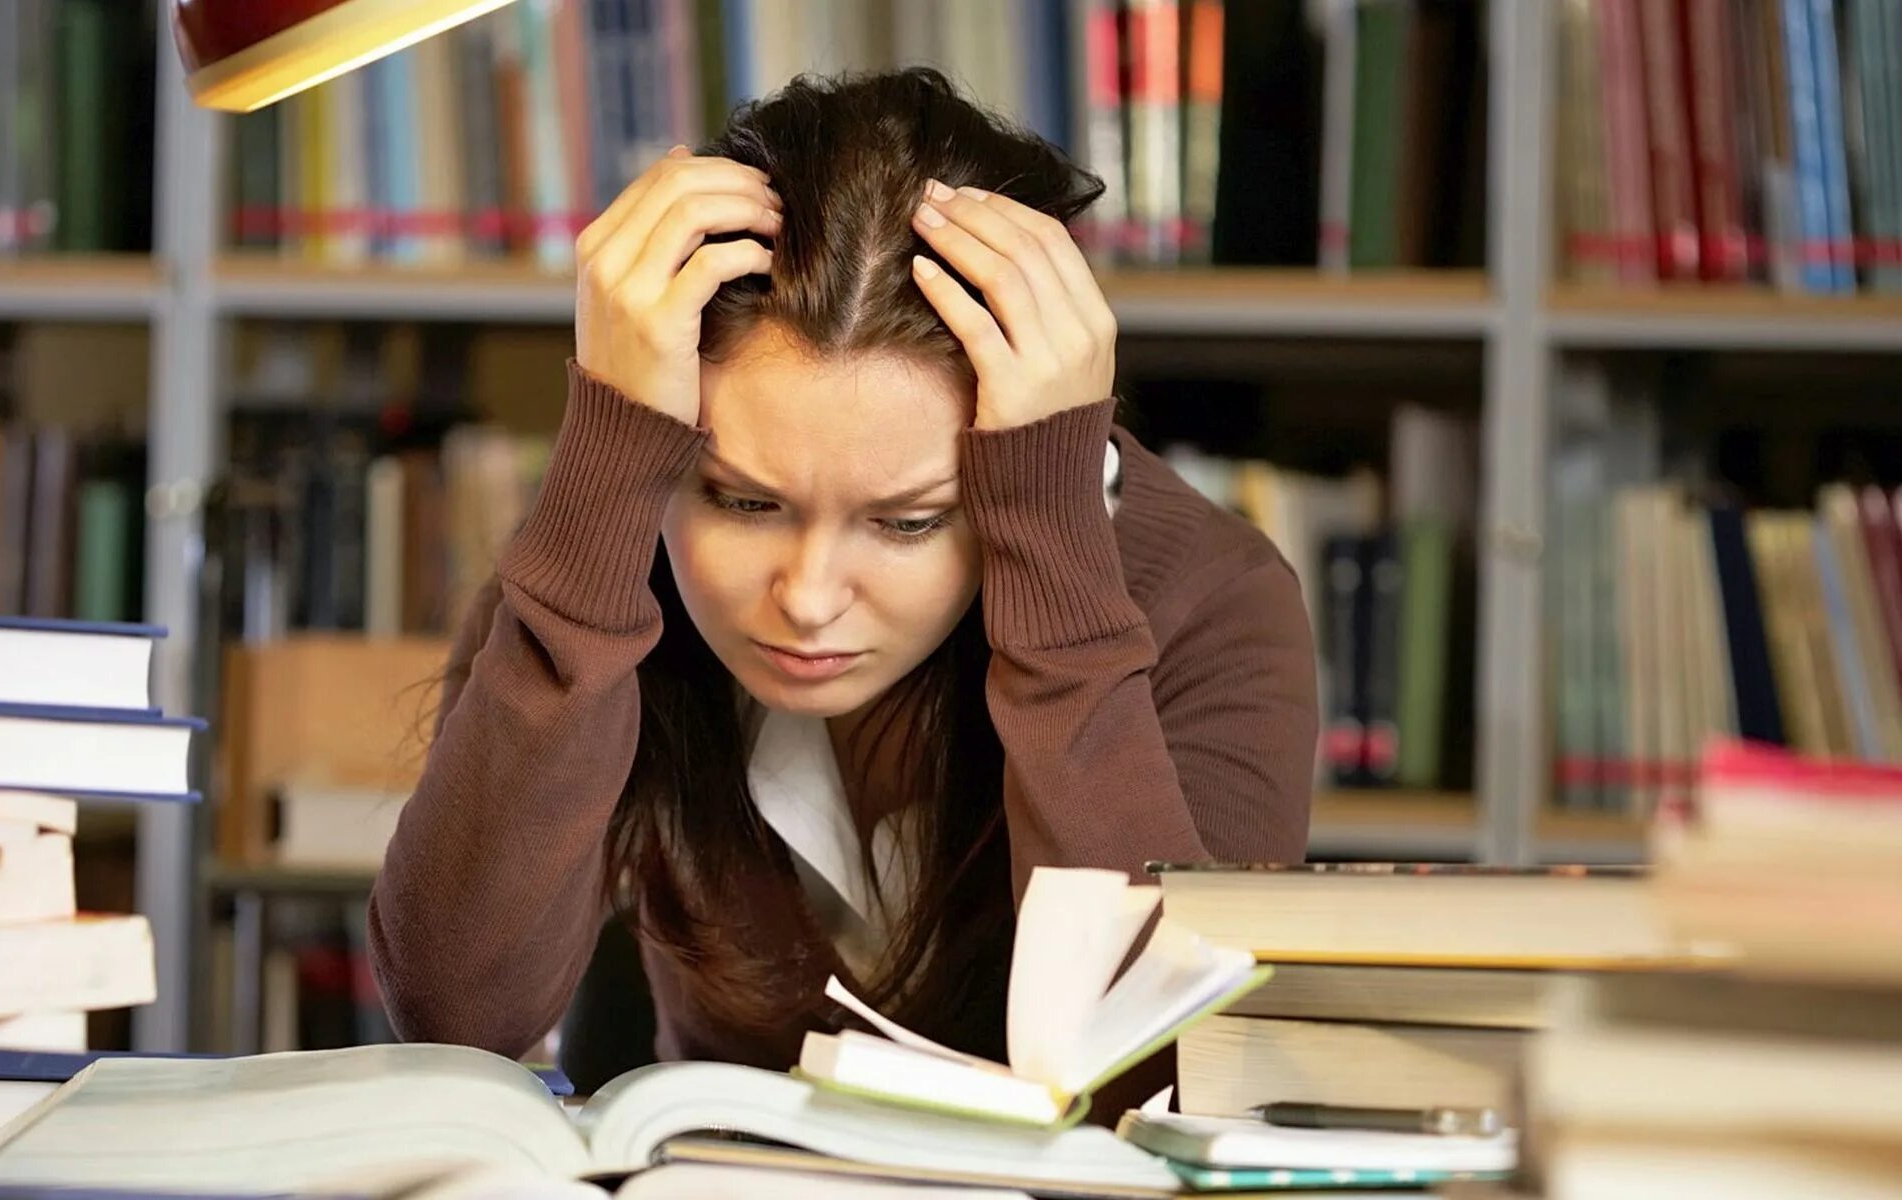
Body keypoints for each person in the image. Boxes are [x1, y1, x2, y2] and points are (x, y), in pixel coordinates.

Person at [368, 68, 1316, 1103]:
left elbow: (1169, 1083)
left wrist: (1053, 549)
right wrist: (603, 459)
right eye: (740, 501)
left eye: (908, 521)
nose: (810, 597)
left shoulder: (1214, 599)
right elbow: (452, 1014)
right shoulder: (607, 549)